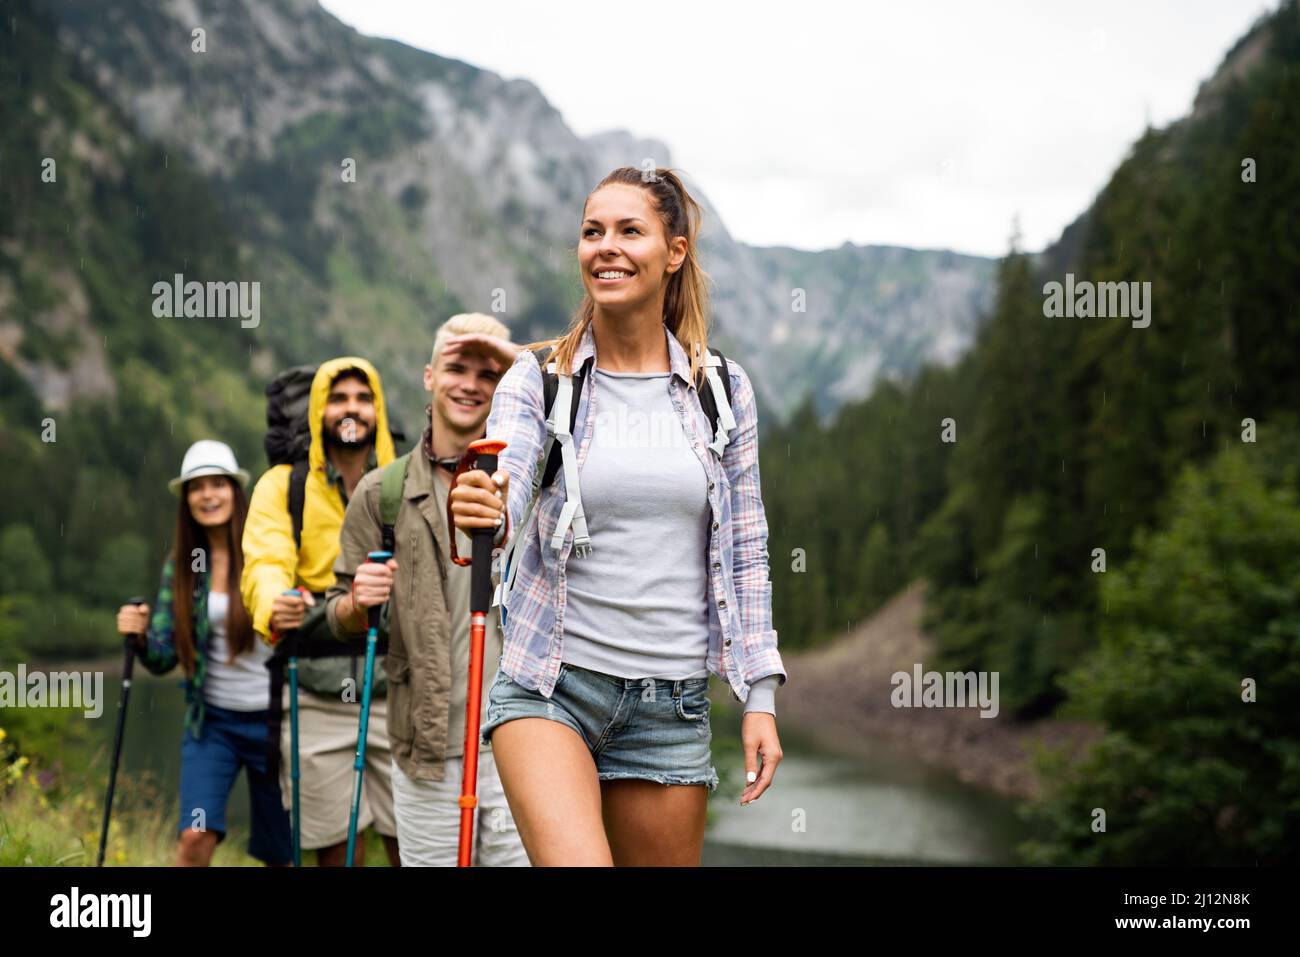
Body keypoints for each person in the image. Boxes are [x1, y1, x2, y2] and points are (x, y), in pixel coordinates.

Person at [452, 166, 786, 866]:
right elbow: (505, 490)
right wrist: (482, 505)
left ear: (675, 251)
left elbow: (748, 549)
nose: (605, 246)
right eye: (591, 231)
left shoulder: (720, 391)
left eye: (629, 230)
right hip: (551, 684)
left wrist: (760, 694)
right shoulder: (539, 378)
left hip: (673, 707)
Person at [327, 313, 530, 866]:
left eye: (487, 374)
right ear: (428, 376)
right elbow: (338, 616)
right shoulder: (381, 494)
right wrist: (354, 602)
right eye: (455, 367)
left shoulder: (539, 483)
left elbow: (586, 377)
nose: (469, 384)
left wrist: (517, 361)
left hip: (526, 746)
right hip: (427, 751)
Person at [241, 358, 401, 866]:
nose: (350, 408)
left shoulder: (403, 480)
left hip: (401, 691)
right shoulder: (282, 487)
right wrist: (273, 604)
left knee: (418, 847)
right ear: (317, 411)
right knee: (334, 851)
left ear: (377, 409)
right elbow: (265, 561)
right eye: (338, 398)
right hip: (314, 691)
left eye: (362, 398)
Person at [116, 440, 290, 867]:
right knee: (195, 838)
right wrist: (138, 637)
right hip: (212, 724)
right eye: (197, 488)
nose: (208, 495)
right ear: (186, 499)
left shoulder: (267, 550)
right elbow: (162, 656)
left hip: (277, 723)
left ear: (235, 490)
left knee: (284, 855)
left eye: (218, 484)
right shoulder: (185, 565)